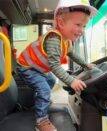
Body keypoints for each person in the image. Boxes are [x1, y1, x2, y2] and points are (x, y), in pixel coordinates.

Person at [16, 0, 97, 131]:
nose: (81, 30)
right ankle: (41, 121)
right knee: (44, 90)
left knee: (51, 81)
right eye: (78, 25)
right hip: (28, 67)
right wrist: (71, 81)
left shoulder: (66, 41)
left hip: (38, 68)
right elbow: (55, 66)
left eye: (84, 26)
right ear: (61, 23)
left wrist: (85, 64)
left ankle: (40, 102)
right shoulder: (54, 39)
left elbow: (72, 54)